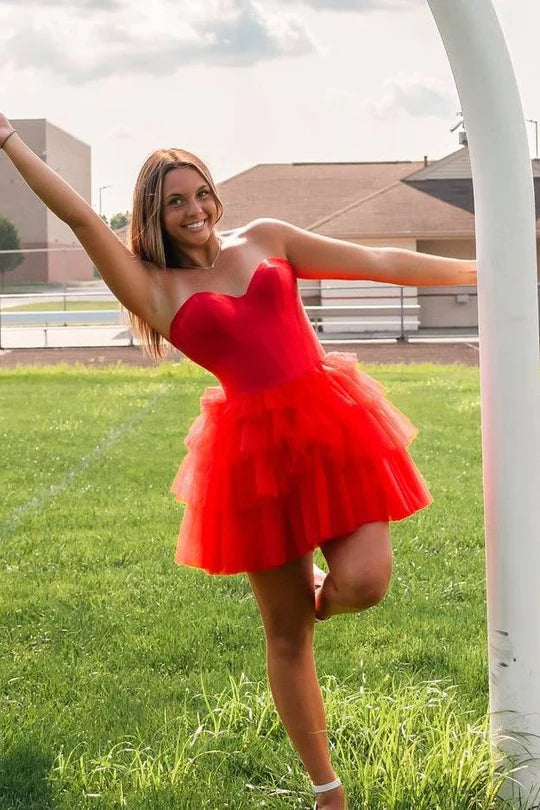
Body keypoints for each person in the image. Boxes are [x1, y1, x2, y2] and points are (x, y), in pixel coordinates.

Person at [0, 115, 477, 810]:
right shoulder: (153, 288)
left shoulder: (266, 238)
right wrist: (10, 140)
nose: (194, 209)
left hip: (332, 426)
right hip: (251, 461)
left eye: (200, 193)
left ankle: (321, 589)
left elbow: (376, 261)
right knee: (287, 635)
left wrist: (479, 271)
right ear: (154, 216)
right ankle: (327, 789)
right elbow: (79, 218)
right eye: (175, 201)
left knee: (366, 582)